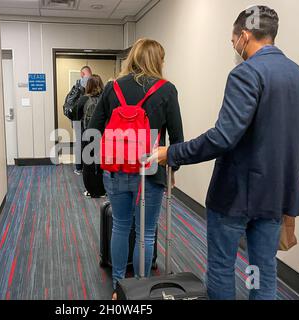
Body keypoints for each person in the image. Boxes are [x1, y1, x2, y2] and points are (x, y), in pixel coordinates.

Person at [150, 6, 299, 300]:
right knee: (263, 270)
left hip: (236, 196)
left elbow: (223, 137)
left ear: (244, 36)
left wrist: (172, 153)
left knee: (222, 267)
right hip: (276, 196)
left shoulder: (246, 73)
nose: (234, 47)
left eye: (233, 40)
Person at [88, 38, 184, 299]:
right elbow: (177, 139)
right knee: (146, 232)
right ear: (158, 61)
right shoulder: (167, 90)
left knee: (120, 225)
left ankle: (120, 286)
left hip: (117, 170)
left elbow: (92, 129)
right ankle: (141, 287)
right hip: (151, 172)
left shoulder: (113, 88)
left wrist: (104, 158)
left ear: (133, 57)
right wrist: (171, 171)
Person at [75, 74, 106, 198]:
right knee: (103, 162)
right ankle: (103, 190)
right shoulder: (106, 98)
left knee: (88, 164)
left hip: (88, 135)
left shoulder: (83, 99)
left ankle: (91, 191)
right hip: (104, 135)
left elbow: (77, 118)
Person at [63, 65, 93, 175]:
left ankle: (80, 168)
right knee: (85, 142)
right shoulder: (83, 86)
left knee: (81, 143)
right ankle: (82, 167)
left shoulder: (78, 86)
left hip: (80, 119)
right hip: (83, 119)